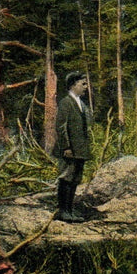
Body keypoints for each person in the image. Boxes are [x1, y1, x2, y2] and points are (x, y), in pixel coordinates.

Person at [52, 71, 92, 223]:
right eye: (83, 84)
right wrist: (66, 147)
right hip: (69, 150)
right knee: (66, 179)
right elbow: (61, 127)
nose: (86, 87)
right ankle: (63, 211)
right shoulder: (66, 102)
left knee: (75, 179)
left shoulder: (80, 103)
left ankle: (69, 210)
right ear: (73, 85)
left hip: (79, 150)